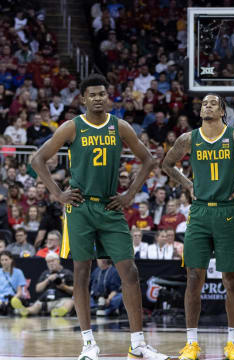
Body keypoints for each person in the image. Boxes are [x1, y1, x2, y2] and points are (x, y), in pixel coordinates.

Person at [30, 74, 168, 360]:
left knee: (129, 272)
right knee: (81, 274)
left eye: (102, 94)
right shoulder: (71, 127)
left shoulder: (120, 126)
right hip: (79, 209)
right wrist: (57, 193)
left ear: (109, 97)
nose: (98, 98)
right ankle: (88, 344)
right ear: (82, 99)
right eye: (92, 94)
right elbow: (37, 159)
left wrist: (130, 194)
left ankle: (138, 344)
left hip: (110, 207)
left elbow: (149, 160)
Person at [162, 93, 234, 360]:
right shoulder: (188, 139)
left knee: (231, 280)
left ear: (223, 111)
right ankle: (191, 343)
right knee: (193, 278)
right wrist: (188, 185)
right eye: (204, 103)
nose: (207, 105)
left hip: (228, 214)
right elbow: (168, 164)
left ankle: (233, 343)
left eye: (213, 103)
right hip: (199, 212)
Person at [12, 252, 74, 317]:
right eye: (48, 262)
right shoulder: (45, 274)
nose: (51, 263)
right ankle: (25, 311)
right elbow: (37, 289)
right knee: (35, 306)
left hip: (61, 300)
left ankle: (59, 312)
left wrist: (64, 287)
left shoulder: (67, 273)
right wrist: (48, 280)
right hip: (46, 300)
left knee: (70, 302)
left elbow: (75, 291)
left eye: (52, 261)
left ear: (58, 261)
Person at [0, 250, 26, 315]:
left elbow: (20, 292)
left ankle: (18, 309)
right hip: (0, 299)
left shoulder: (18, 272)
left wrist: (11, 300)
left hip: (12, 298)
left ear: (11, 260)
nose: (4, 262)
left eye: (6, 260)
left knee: (14, 302)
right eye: (2, 260)